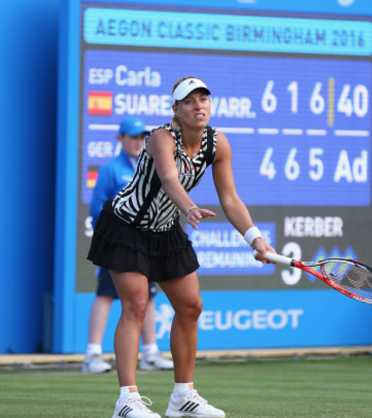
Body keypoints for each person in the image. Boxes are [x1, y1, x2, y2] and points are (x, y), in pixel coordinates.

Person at [88, 76, 276, 418]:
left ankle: (182, 398)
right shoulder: (161, 137)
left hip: (164, 229)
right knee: (136, 304)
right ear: (176, 110)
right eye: (189, 101)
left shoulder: (218, 144)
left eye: (203, 98)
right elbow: (169, 179)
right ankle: (127, 401)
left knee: (191, 306)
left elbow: (230, 198)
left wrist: (255, 239)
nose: (198, 105)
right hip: (126, 226)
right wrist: (188, 207)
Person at [83, 117, 174, 374]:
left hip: (148, 243)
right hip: (118, 244)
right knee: (105, 294)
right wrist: (115, 236)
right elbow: (96, 209)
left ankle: (150, 353)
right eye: (132, 137)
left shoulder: (153, 167)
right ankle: (92, 356)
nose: (137, 142)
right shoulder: (110, 169)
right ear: (120, 139)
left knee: (149, 295)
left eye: (141, 138)